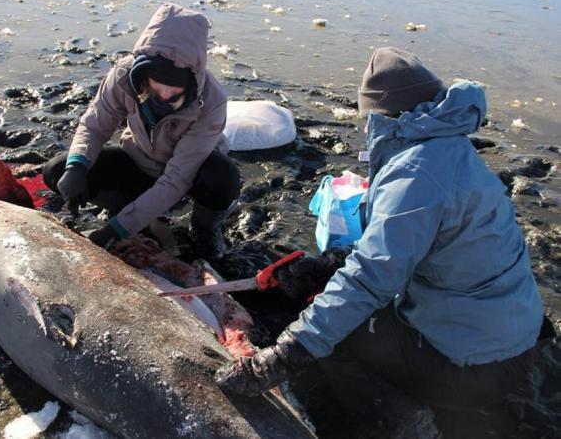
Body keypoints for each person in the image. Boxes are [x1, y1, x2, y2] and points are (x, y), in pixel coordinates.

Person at [215, 47, 546, 437]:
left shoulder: (416, 173)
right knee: (342, 300)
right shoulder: (449, 147)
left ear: (379, 114)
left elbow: (372, 277)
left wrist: (283, 356)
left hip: (475, 370)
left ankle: (399, 419)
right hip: (508, 338)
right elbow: (405, 249)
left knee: (340, 333)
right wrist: (328, 264)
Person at [43, 3, 240, 260]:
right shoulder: (123, 76)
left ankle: (204, 228)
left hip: (190, 174)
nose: (166, 96)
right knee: (56, 170)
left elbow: (177, 177)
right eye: (158, 86)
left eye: (176, 90)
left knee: (223, 176)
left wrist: (116, 230)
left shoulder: (212, 101)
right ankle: (130, 211)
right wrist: (76, 167)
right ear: (144, 73)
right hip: (139, 160)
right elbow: (93, 126)